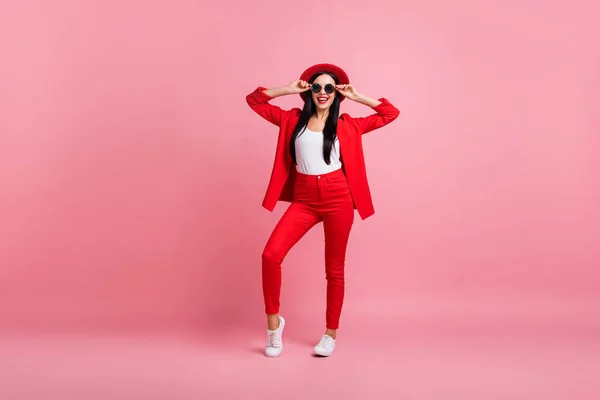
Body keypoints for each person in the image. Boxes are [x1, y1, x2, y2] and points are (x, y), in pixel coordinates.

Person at [245, 63, 400, 357]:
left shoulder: (349, 124)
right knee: (270, 255)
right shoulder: (291, 120)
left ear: (336, 92)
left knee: (334, 270)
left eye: (330, 87)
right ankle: (273, 326)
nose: (323, 92)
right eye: (317, 87)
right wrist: (287, 90)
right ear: (309, 91)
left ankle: (330, 334)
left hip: (338, 197)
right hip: (304, 199)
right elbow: (254, 100)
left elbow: (390, 113)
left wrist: (358, 97)